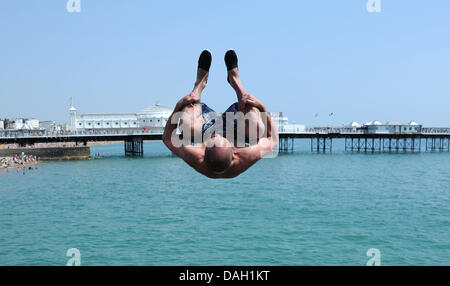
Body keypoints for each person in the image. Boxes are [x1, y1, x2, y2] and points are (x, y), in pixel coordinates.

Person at [163, 50, 278, 179]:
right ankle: (236, 81)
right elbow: (273, 139)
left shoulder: (195, 156)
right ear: (235, 151)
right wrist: (261, 106)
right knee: (255, 127)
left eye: (212, 139)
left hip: (206, 127)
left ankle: (199, 84)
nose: (218, 134)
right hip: (235, 127)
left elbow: (167, 137)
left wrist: (180, 105)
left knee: (188, 127)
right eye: (220, 138)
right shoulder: (244, 156)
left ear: (203, 150)